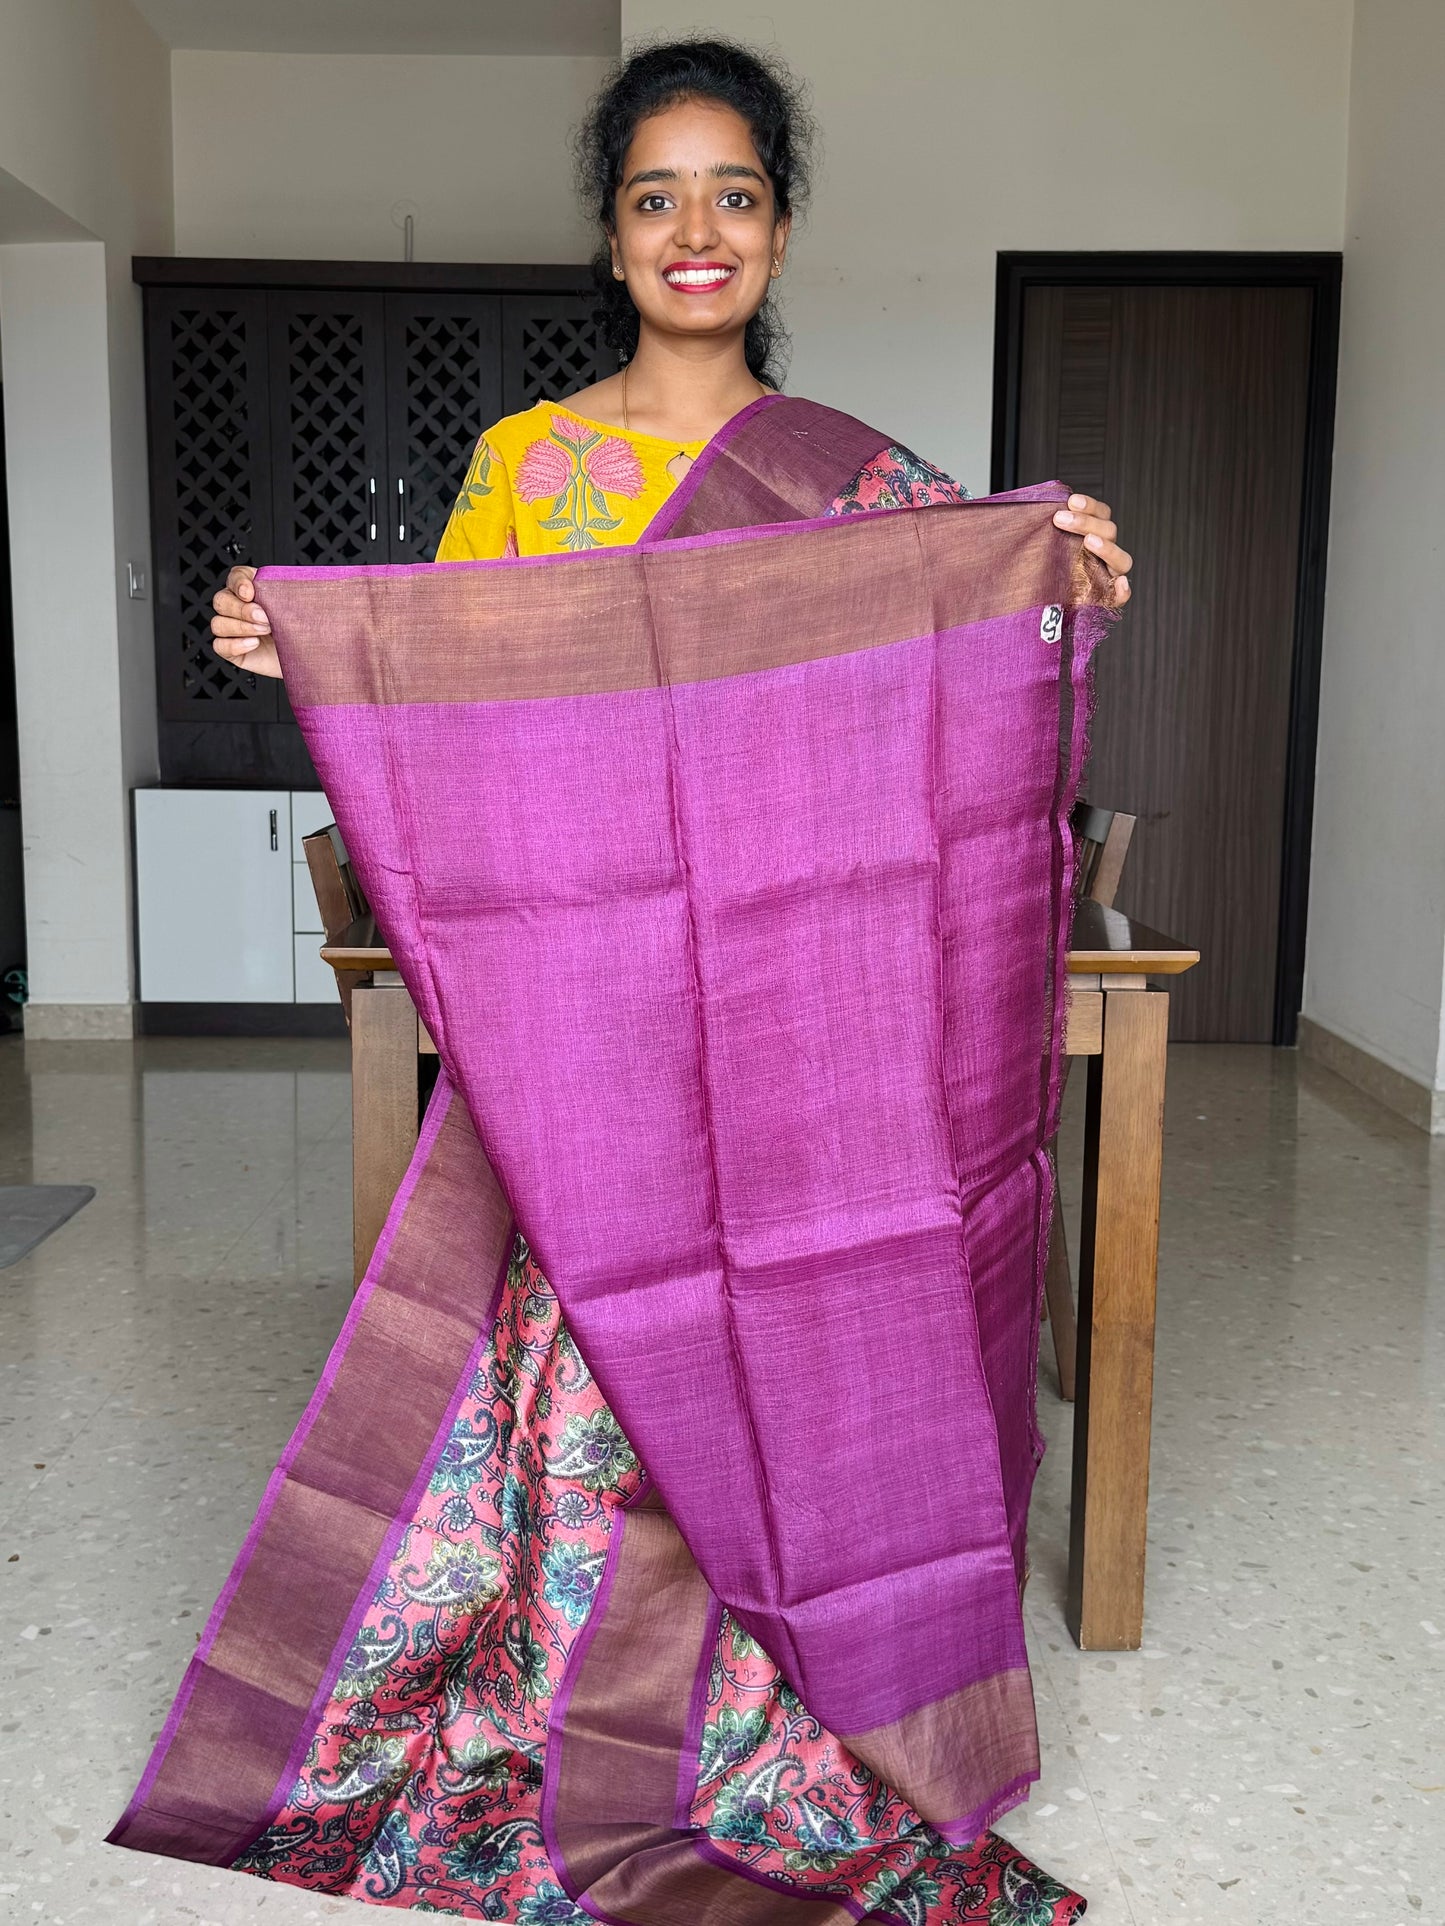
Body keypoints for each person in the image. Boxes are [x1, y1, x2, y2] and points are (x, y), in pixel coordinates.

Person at [201, 39, 1132, 1923]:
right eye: (654, 196)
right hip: (588, 1020)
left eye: (731, 194)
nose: (692, 231)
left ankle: (787, 1691)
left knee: (786, 1342)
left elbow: (939, 703)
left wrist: (1057, 586)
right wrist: (291, 647)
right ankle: (570, 1708)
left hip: (787, 1028)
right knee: (600, 1347)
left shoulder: (861, 483)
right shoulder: (522, 467)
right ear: (609, 235)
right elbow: (449, 724)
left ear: (777, 230)